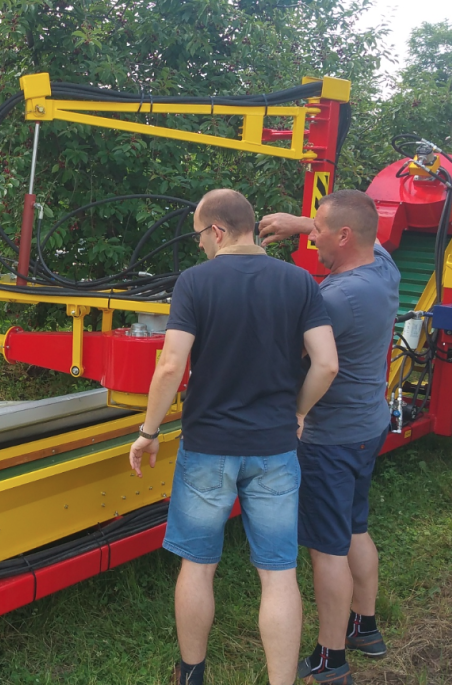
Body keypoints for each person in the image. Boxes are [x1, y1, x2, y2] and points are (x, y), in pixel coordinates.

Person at [129, 189, 339, 685]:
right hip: (274, 449)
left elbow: (171, 366)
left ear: (218, 231)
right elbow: (327, 363)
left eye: (200, 235)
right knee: (278, 574)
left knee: (198, 566)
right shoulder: (299, 281)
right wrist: (298, 411)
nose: (200, 245)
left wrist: (148, 432)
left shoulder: (195, 282)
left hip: (208, 447)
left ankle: (191, 674)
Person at [259, 189, 401, 685]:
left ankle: (331, 657)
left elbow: (294, 357)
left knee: (327, 550)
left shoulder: (335, 299)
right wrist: (301, 223)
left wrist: (295, 410)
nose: (312, 236)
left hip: (330, 439)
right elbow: (365, 234)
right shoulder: (384, 270)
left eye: (318, 230)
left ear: (343, 236)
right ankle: (366, 626)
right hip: (368, 427)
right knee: (354, 528)